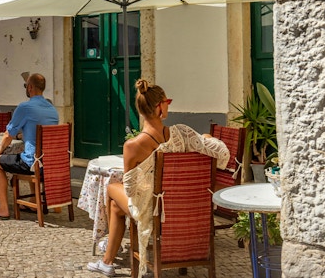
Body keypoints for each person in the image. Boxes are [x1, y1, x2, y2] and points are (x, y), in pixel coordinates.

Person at [87, 79, 230, 277]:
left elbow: (130, 190)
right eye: (167, 101)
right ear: (160, 106)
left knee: (112, 191)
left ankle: (107, 258)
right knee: (115, 203)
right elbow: (223, 153)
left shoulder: (133, 146)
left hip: (153, 210)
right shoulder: (182, 134)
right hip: (182, 206)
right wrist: (207, 138)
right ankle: (107, 259)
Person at [0, 73, 58, 220]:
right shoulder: (52, 109)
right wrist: (23, 136)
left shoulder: (25, 107)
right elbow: (39, 133)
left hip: (33, 164)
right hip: (51, 163)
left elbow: (8, 135)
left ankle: (3, 208)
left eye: (26, 85)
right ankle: (33, 201)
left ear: (31, 87)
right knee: (29, 153)